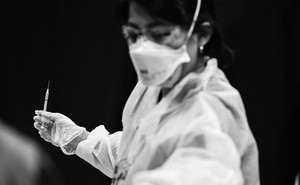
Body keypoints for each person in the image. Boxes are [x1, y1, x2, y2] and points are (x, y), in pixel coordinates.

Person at [33, 0, 260, 184]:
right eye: (134, 36)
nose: (144, 49)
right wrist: (78, 138)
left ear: (202, 34)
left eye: (160, 34)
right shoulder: (154, 85)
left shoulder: (210, 117)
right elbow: (137, 156)